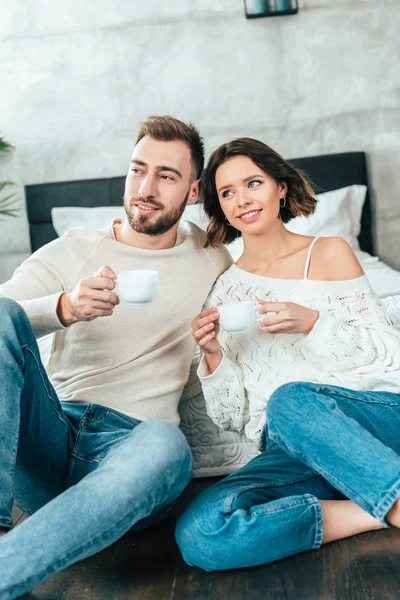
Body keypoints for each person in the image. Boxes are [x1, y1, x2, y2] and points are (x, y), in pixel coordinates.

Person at [0, 115, 232, 597]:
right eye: (137, 169)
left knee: (168, 447)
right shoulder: (75, 248)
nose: (145, 187)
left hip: (130, 450)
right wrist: (65, 307)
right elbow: (7, 317)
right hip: (53, 433)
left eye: (166, 175)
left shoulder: (211, 256)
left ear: (192, 191)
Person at [175, 137, 400, 571]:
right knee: (201, 532)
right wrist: (212, 355)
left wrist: (313, 323)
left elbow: (390, 356)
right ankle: (374, 506)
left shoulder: (329, 251)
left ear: (281, 187)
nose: (241, 200)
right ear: (218, 207)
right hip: (292, 449)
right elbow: (230, 419)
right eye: (226, 193)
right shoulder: (224, 292)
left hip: (373, 419)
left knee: (290, 400)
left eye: (253, 183)